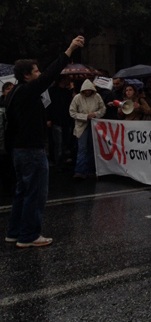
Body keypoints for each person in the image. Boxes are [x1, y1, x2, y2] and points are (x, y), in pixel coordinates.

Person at [5, 36, 84, 247]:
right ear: (26, 75)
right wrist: (69, 50)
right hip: (31, 150)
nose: (39, 73)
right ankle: (29, 235)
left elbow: (9, 126)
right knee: (35, 193)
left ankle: (14, 231)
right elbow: (50, 74)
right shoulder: (28, 91)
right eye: (36, 71)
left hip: (19, 150)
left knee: (22, 192)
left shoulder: (12, 93)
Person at [69, 79, 106, 180]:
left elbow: (103, 109)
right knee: (82, 149)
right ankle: (79, 171)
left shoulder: (97, 97)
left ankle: (90, 170)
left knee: (92, 148)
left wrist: (95, 114)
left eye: (89, 90)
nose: (88, 92)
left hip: (94, 125)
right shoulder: (77, 98)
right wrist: (85, 116)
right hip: (82, 126)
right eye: (86, 90)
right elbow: (72, 112)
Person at [47, 75, 75, 168]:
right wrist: (49, 118)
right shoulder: (52, 91)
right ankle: (58, 162)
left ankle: (63, 158)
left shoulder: (67, 92)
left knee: (65, 141)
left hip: (66, 120)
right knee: (58, 142)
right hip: (56, 119)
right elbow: (48, 106)